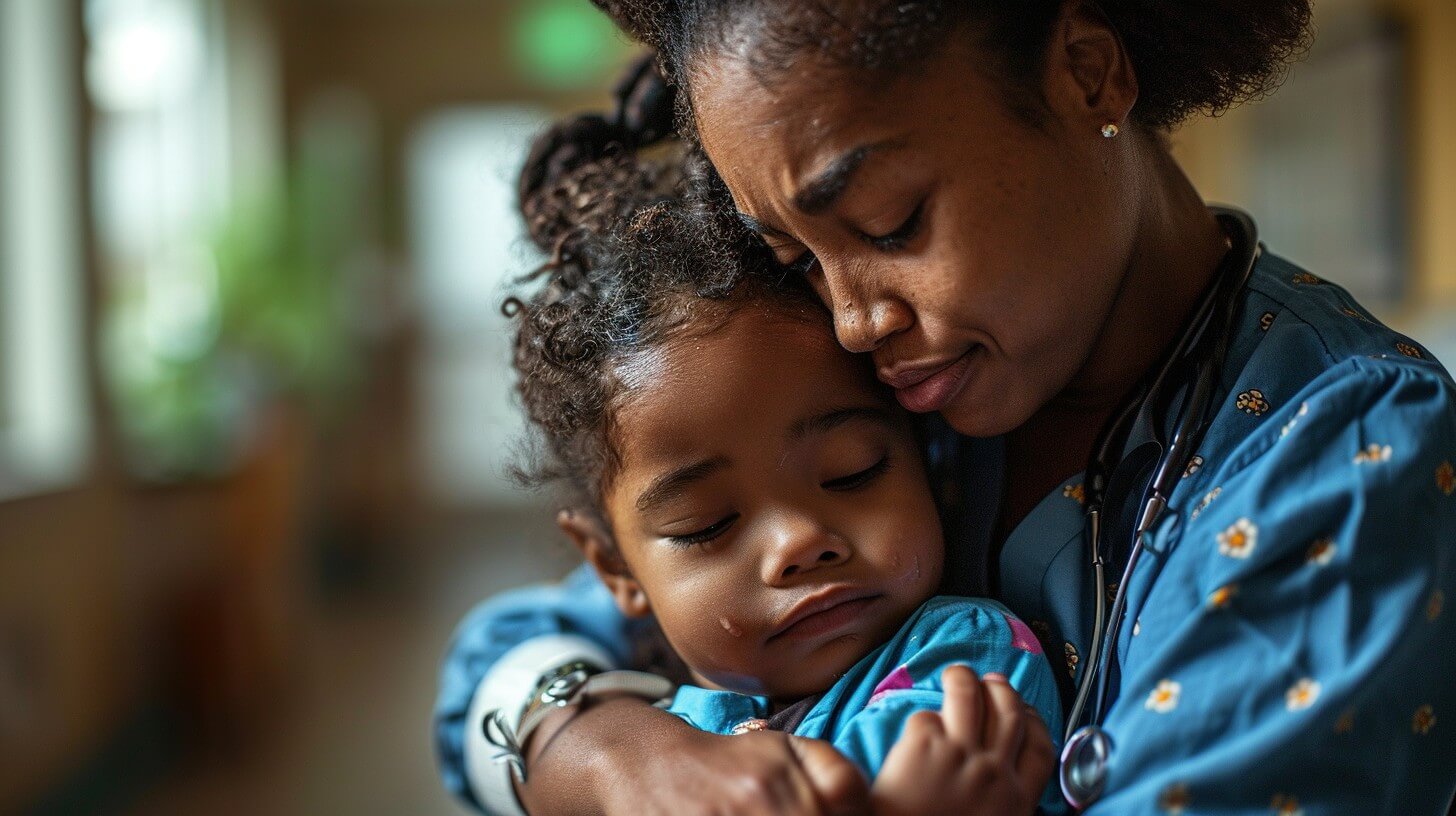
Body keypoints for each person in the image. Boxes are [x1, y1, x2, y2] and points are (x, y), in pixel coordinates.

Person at [435, 2, 1456, 813]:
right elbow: (507, 655)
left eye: (890, 222)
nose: (846, 321)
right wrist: (604, 754)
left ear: (1087, 72)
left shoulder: (1340, 449)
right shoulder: (875, 395)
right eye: (796, 256)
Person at [493, 158, 1064, 813]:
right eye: (705, 524)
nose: (799, 539)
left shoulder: (966, 671)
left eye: (852, 471)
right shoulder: (662, 748)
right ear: (614, 566)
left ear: (921, 454)